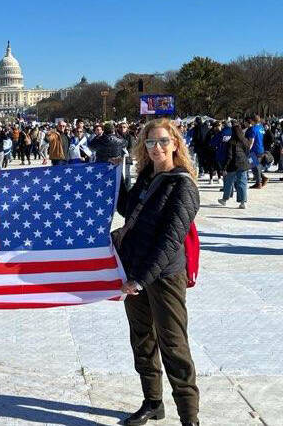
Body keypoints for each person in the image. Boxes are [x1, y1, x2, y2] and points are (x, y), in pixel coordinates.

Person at [115, 118, 200, 426]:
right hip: (135, 270)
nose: (156, 147)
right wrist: (116, 178)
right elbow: (130, 212)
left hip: (163, 275)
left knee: (173, 344)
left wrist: (141, 279)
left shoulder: (183, 185)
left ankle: (189, 417)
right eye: (150, 142)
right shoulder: (148, 177)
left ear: (175, 143)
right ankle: (153, 401)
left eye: (163, 141)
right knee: (142, 340)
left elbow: (170, 240)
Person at [218, 124, 250, 209]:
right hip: (243, 164)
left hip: (233, 165)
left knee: (228, 182)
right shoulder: (245, 141)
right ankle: (243, 202)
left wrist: (224, 167)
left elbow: (229, 156)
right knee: (242, 183)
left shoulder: (230, 142)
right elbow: (247, 152)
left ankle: (225, 199)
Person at [246, 114, 267, 188]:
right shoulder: (261, 127)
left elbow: (251, 141)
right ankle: (262, 179)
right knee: (255, 165)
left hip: (254, 150)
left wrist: (247, 150)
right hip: (261, 149)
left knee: (254, 166)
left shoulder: (253, 129)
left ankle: (258, 183)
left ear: (252, 120)